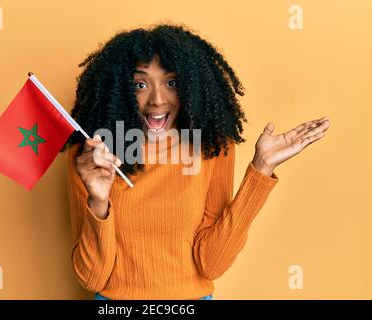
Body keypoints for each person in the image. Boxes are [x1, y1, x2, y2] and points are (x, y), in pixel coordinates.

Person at [61, 23, 330, 300]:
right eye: (140, 84)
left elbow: (211, 264)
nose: (157, 99)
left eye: (172, 83)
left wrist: (261, 169)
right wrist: (99, 202)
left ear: (192, 86)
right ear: (118, 90)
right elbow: (91, 277)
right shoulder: (92, 157)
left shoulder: (212, 149)